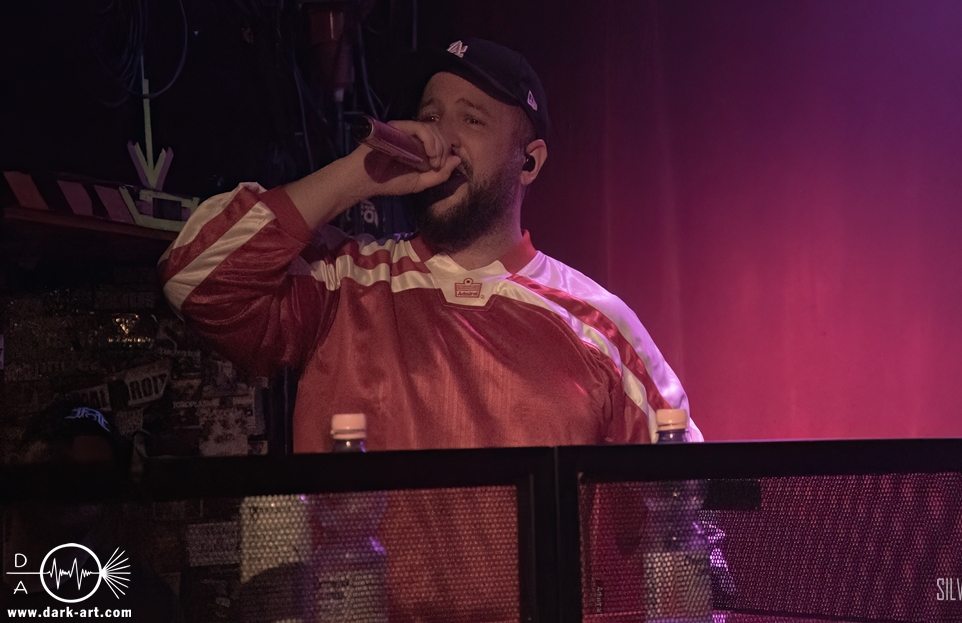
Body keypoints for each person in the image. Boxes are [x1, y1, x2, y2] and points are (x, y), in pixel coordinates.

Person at [160, 37, 699, 451]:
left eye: (471, 119)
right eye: (430, 117)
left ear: (529, 162)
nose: (443, 138)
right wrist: (357, 175)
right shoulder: (343, 281)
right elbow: (192, 279)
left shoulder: (600, 326)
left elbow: (683, 504)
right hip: (355, 574)